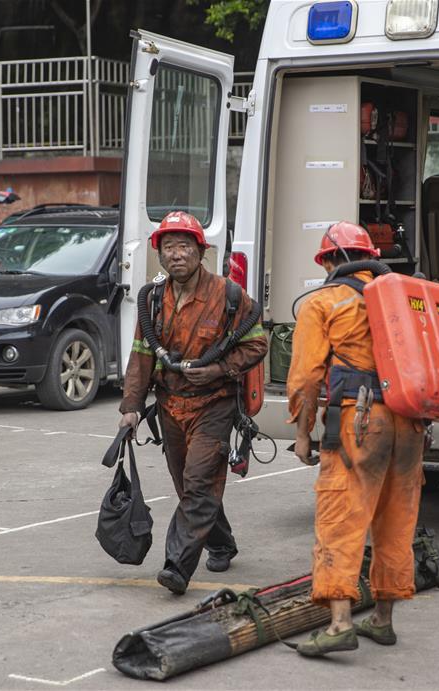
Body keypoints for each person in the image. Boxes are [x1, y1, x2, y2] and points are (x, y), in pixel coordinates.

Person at [287, 222, 425, 657]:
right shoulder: (399, 299)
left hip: (359, 422)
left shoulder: (324, 303)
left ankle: (340, 624)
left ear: (329, 261)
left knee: (340, 518)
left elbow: (306, 378)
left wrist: (303, 433)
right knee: (396, 520)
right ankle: (383, 620)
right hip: (410, 422)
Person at [119, 211, 267, 595]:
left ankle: (177, 566)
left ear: (201, 251)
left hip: (214, 404)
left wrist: (219, 369)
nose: (177, 255)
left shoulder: (229, 296)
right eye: (169, 247)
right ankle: (220, 542)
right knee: (190, 486)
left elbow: (257, 343)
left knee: (199, 482)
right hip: (170, 406)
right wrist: (130, 407)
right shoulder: (152, 300)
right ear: (160, 254)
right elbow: (141, 354)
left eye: (185, 246)